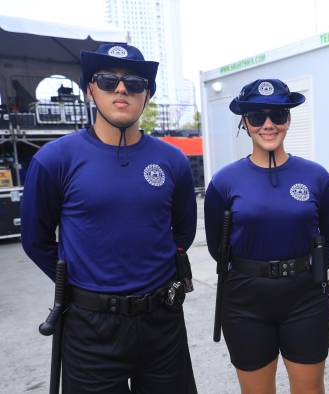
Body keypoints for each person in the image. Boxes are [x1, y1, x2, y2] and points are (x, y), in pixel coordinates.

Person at [20, 43, 198, 393]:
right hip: (90, 327)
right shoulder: (55, 160)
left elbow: (183, 232)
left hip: (162, 320)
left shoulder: (172, 161)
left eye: (134, 83)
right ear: (90, 89)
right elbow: (35, 239)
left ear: (146, 95)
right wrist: (82, 279)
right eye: (107, 80)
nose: (121, 89)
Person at [204, 79, 329, 394]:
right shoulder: (224, 181)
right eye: (257, 117)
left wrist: (311, 269)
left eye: (277, 116)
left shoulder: (315, 176)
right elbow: (217, 247)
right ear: (244, 122)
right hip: (245, 301)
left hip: (305, 297)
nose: (268, 124)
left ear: (289, 119)